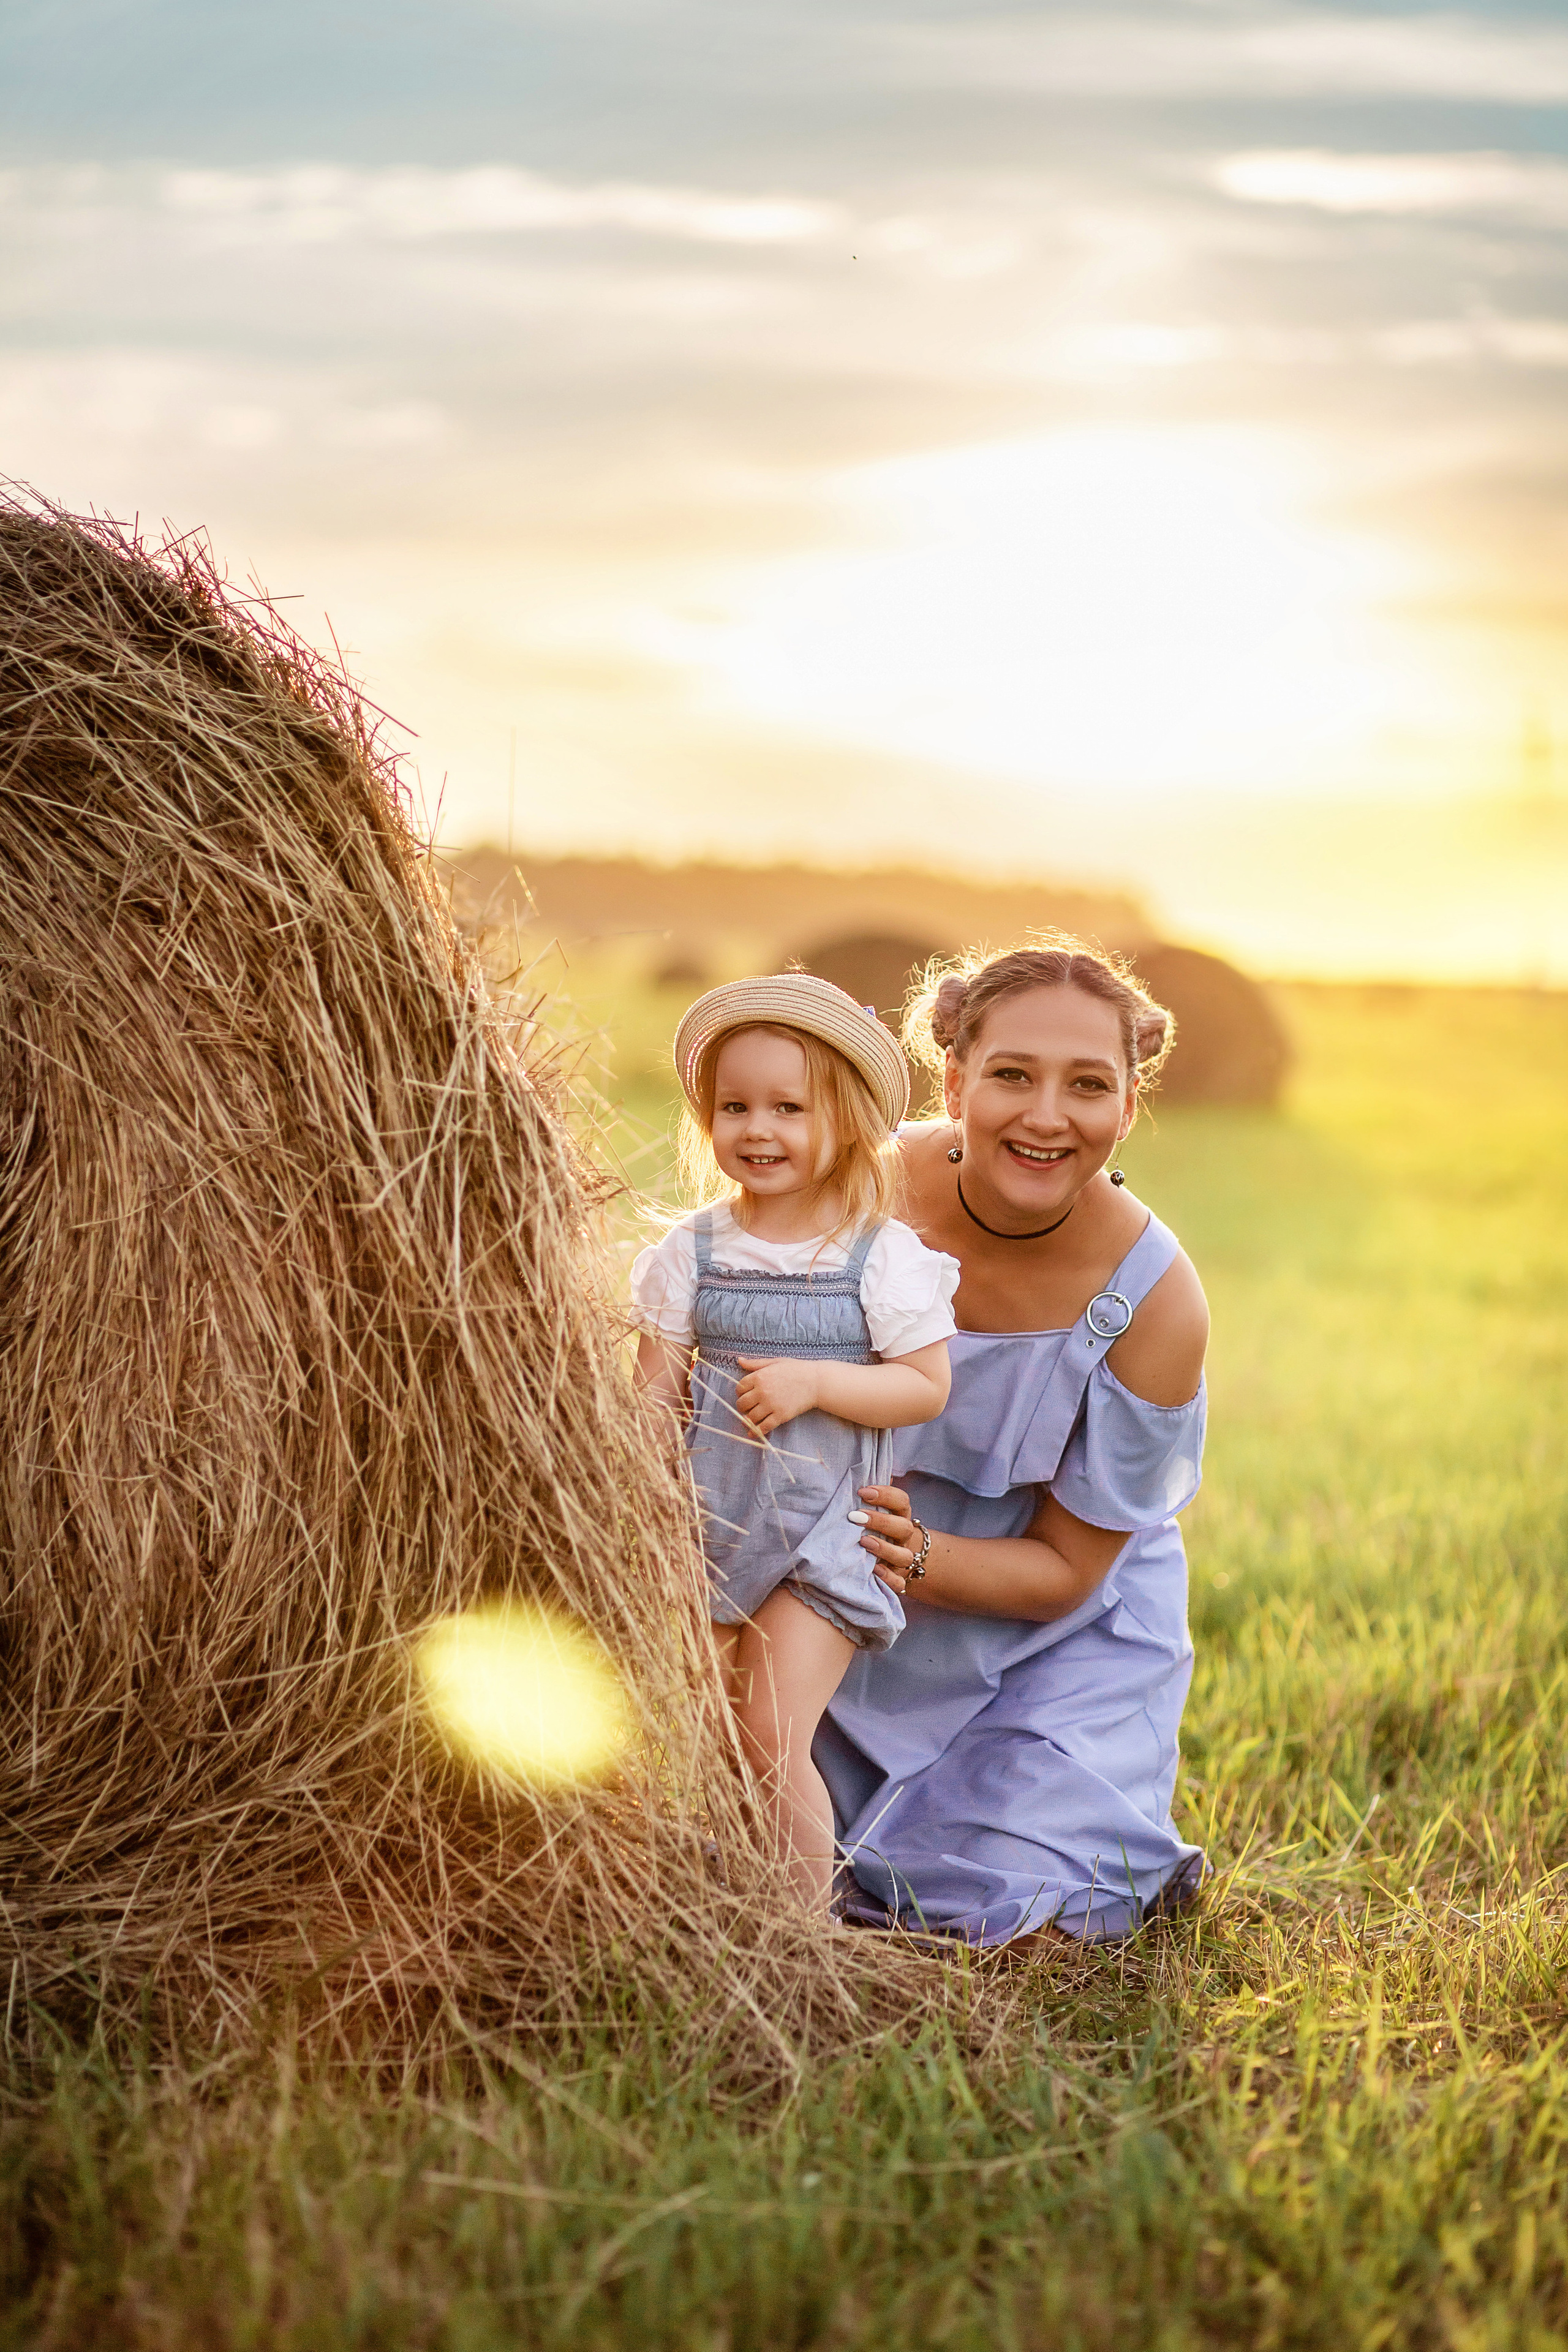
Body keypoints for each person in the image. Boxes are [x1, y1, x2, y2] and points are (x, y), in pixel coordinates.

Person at [815, 938, 1211, 1945]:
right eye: (1012, 1076)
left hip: (1055, 1631)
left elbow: (1069, 1570)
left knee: (1019, 1895)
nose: (1047, 1116)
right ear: (954, 1081)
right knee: (760, 1832)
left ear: (1129, 1106)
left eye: (1088, 1085)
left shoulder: (1156, 1300)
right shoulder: (853, 1190)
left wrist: (917, 1553)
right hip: (838, 1598)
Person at [633, 974, 959, 1911]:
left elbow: (924, 1386)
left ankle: (800, 1947)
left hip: (826, 1532)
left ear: (846, 1122)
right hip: (710, 1523)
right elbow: (652, 1396)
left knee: (772, 1731)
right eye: (734, 1107)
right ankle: (737, 1905)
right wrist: (640, 1502)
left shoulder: (876, 1256)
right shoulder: (691, 1252)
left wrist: (817, 1382)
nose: (758, 1129)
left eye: (789, 1107)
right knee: (718, 1737)